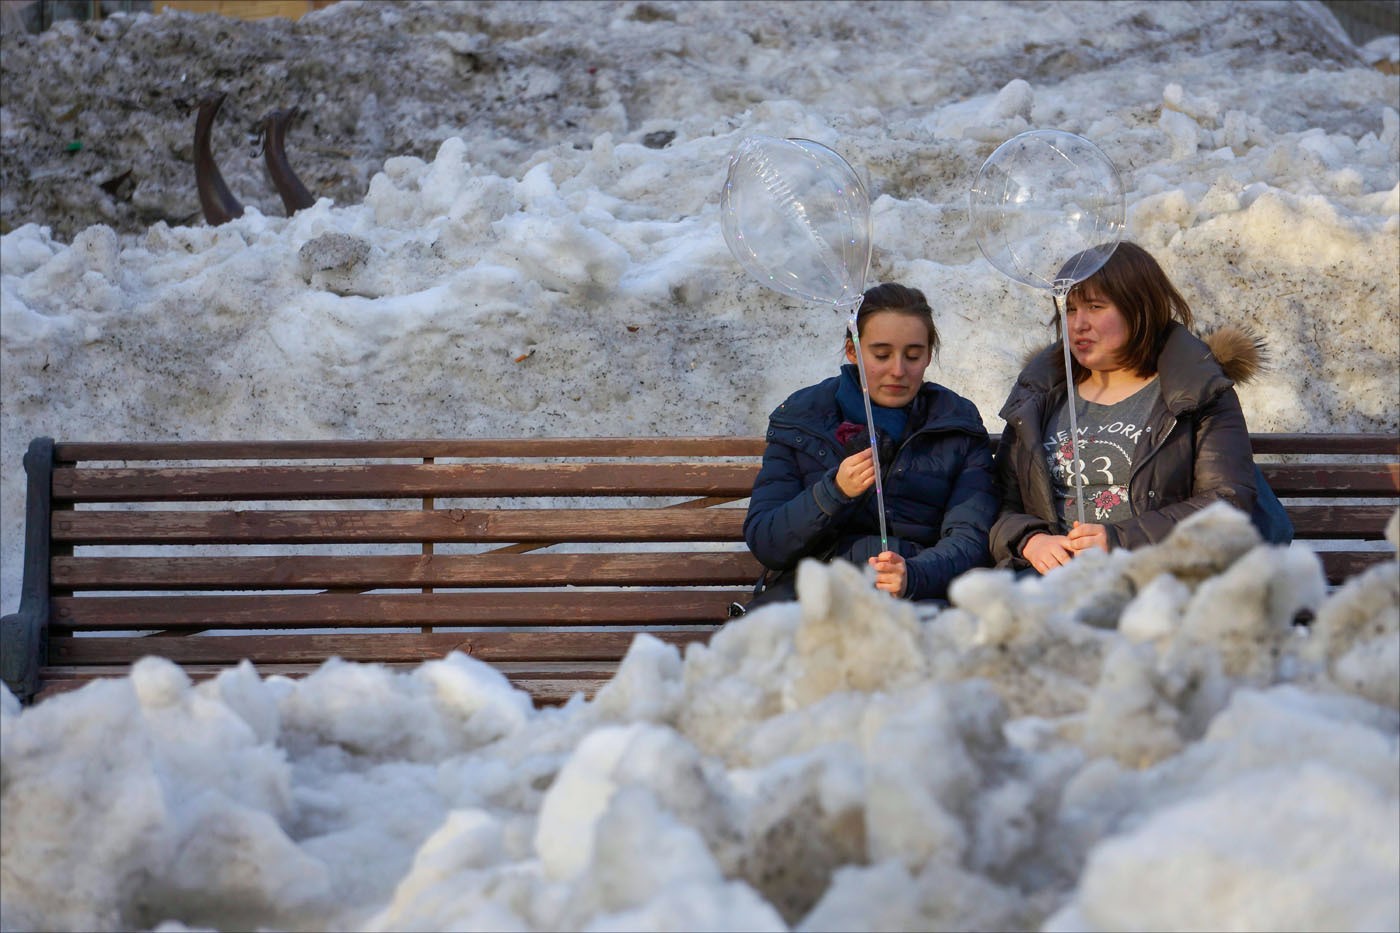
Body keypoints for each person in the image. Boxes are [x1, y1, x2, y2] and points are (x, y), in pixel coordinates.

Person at [989, 240, 1266, 575]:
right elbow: (1002, 504)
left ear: (1139, 309)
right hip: (1051, 584)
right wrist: (1029, 540)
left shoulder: (1196, 393)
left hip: (1156, 580)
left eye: (1094, 307)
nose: (1078, 324)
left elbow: (1227, 504)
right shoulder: (1038, 396)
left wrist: (1119, 541)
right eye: (1070, 310)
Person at [743, 282, 998, 607]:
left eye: (913, 355)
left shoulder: (955, 424)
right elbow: (768, 541)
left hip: (917, 602)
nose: (898, 370)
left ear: (928, 355)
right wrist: (831, 493)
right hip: (813, 597)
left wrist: (914, 574)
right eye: (881, 354)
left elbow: (969, 538)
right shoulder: (802, 417)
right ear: (853, 351)